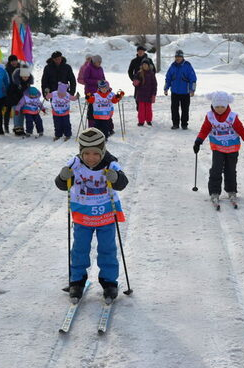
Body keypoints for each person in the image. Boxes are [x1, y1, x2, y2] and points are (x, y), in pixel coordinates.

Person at [54, 127, 129, 300]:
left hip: (106, 216)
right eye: (86, 153)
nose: (91, 158)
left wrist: (116, 178)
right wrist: (63, 177)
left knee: (107, 249)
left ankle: (109, 282)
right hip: (83, 215)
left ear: (102, 150)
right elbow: (61, 185)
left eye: (95, 153)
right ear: (81, 152)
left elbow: (123, 183)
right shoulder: (75, 163)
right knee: (80, 249)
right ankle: (77, 281)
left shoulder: (111, 164)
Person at [193, 91, 244, 206]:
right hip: (217, 147)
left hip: (232, 147)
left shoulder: (232, 117)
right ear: (213, 105)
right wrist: (198, 141)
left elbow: (241, 130)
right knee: (216, 169)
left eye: (222, 106)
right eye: (217, 106)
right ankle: (214, 192)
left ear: (226, 105)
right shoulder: (210, 116)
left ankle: (231, 190)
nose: (220, 109)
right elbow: (204, 129)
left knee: (230, 170)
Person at [164, 50, 197, 130]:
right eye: (176, 57)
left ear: (182, 57)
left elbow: (193, 78)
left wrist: (192, 90)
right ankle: (175, 124)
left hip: (185, 92)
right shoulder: (172, 66)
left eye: (179, 57)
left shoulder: (187, 66)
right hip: (175, 92)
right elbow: (168, 78)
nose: (178, 58)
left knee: (185, 109)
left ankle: (184, 124)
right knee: (174, 109)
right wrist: (166, 88)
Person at [8, 64, 34, 136]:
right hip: (15, 100)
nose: (25, 78)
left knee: (22, 114)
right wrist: (16, 100)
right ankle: (17, 127)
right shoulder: (15, 83)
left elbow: (27, 92)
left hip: (23, 101)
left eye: (27, 77)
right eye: (24, 77)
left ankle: (21, 127)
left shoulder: (27, 83)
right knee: (17, 114)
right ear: (21, 76)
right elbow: (11, 92)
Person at [128, 45, 155, 111]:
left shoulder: (149, 60)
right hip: (138, 84)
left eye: (142, 51)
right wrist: (134, 79)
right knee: (138, 100)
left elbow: (153, 70)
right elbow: (130, 71)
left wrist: (151, 79)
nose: (140, 52)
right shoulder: (134, 61)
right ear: (137, 52)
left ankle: (147, 117)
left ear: (144, 52)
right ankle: (141, 117)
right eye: (139, 51)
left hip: (148, 84)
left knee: (148, 101)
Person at [83, 54, 106, 129]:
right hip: (90, 91)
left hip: (99, 91)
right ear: (94, 62)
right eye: (98, 62)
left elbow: (103, 78)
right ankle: (91, 126)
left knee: (99, 108)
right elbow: (85, 79)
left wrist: (104, 84)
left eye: (100, 62)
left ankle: (99, 125)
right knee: (92, 109)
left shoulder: (100, 68)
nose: (99, 63)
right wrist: (96, 82)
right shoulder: (88, 68)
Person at [133, 59, 157, 126]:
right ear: (142, 66)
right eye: (143, 65)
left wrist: (154, 94)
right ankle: (141, 121)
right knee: (141, 109)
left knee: (148, 109)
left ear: (148, 66)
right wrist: (136, 82)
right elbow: (135, 83)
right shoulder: (139, 73)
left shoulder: (151, 73)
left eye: (146, 65)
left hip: (149, 94)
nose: (145, 66)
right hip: (141, 94)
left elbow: (154, 84)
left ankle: (148, 120)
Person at [3, 55, 20, 134]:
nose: (14, 62)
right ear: (9, 62)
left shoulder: (21, 68)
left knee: (18, 109)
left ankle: (18, 126)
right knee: (8, 109)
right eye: (12, 61)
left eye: (15, 60)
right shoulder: (6, 70)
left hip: (18, 92)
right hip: (9, 92)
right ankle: (6, 126)